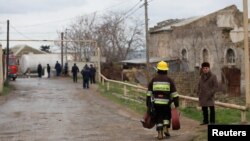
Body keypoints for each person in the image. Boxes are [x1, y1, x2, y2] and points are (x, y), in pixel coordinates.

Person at [146, 61, 179, 139]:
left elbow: (149, 93)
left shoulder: (153, 80)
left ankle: (159, 133)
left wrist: (148, 103)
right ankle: (166, 128)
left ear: (158, 69)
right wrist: (176, 103)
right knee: (167, 115)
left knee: (158, 117)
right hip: (167, 103)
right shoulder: (169, 80)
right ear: (166, 70)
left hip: (156, 103)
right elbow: (174, 93)